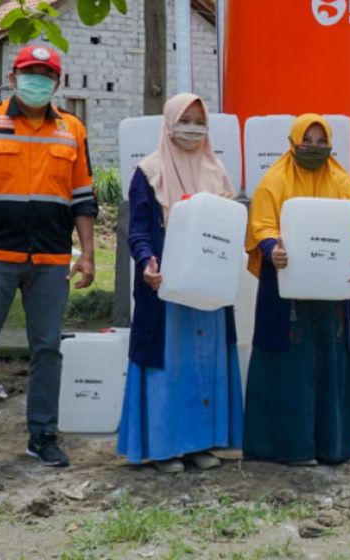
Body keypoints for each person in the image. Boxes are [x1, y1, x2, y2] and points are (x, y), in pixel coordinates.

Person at [0, 45, 97, 477]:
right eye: (31, 72)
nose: (37, 80)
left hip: (50, 260)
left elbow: (83, 198)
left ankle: (43, 437)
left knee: (48, 350)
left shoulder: (72, 130)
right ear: (13, 76)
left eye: (46, 74)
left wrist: (88, 254)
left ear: (57, 82)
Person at [116, 93, 243, 472]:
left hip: (208, 286)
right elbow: (138, 230)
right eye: (184, 120)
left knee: (204, 363)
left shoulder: (216, 172)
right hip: (166, 286)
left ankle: (200, 443)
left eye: (198, 120)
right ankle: (164, 446)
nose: (192, 128)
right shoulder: (149, 172)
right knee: (170, 364)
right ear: (169, 123)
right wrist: (146, 261)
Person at [242, 114, 350, 465]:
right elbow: (262, 223)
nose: (313, 148)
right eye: (307, 141)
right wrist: (273, 250)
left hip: (330, 295)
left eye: (320, 142)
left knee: (329, 362)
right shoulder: (274, 180)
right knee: (286, 366)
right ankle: (283, 448)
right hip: (284, 292)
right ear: (293, 141)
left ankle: (333, 447)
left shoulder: (343, 182)